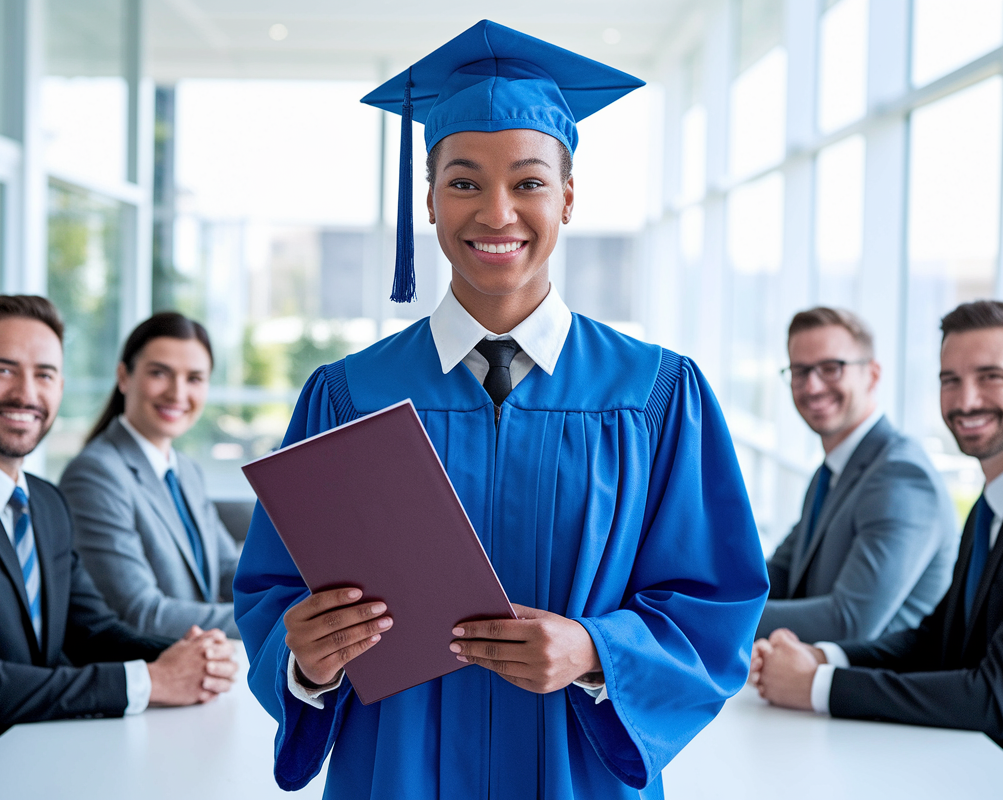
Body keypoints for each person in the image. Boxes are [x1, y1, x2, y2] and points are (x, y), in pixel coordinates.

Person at [233, 20, 769, 800]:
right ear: (428, 199)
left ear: (569, 196)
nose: (495, 212)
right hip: (398, 770)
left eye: (527, 182)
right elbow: (274, 591)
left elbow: (714, 602)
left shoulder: (655, 396)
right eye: (463, 181)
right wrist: (303, 659)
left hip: (578, 774)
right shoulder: (346, 397)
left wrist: (595, 651)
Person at [749, 300, 1003, 800]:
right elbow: (939, 641)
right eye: (949, 380)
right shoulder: (997, 503)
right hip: (975, 762)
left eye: (990, 376)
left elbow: (996, 698)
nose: (965, 399)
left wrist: (818, 686)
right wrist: (824, 656)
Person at [0, 295, 237, 763]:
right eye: (2, 370)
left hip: (40, 744)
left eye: (45, 374)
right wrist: (153, 680)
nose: (26, 393)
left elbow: (92, 632)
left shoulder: (46, 503)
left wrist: (191, 654)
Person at [759, 307, 957, 641]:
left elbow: (849, 622)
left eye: (831, 369)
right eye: (800, 371)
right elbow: (776, 575)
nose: (812, 386)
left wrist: (709, 617)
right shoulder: (831, 473)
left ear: (873, 375)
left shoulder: (902, 476)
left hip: (864, 683)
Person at [60, 312, 241, 639]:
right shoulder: (95, 475)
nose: (177, 393)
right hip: (153, 675)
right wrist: (274, 621)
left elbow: (232, 572)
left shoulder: (185, 470)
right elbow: (140, 614)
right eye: (159, 373)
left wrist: (296, 597)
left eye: (194, 378)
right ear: (124, 376)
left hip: (204, 667)